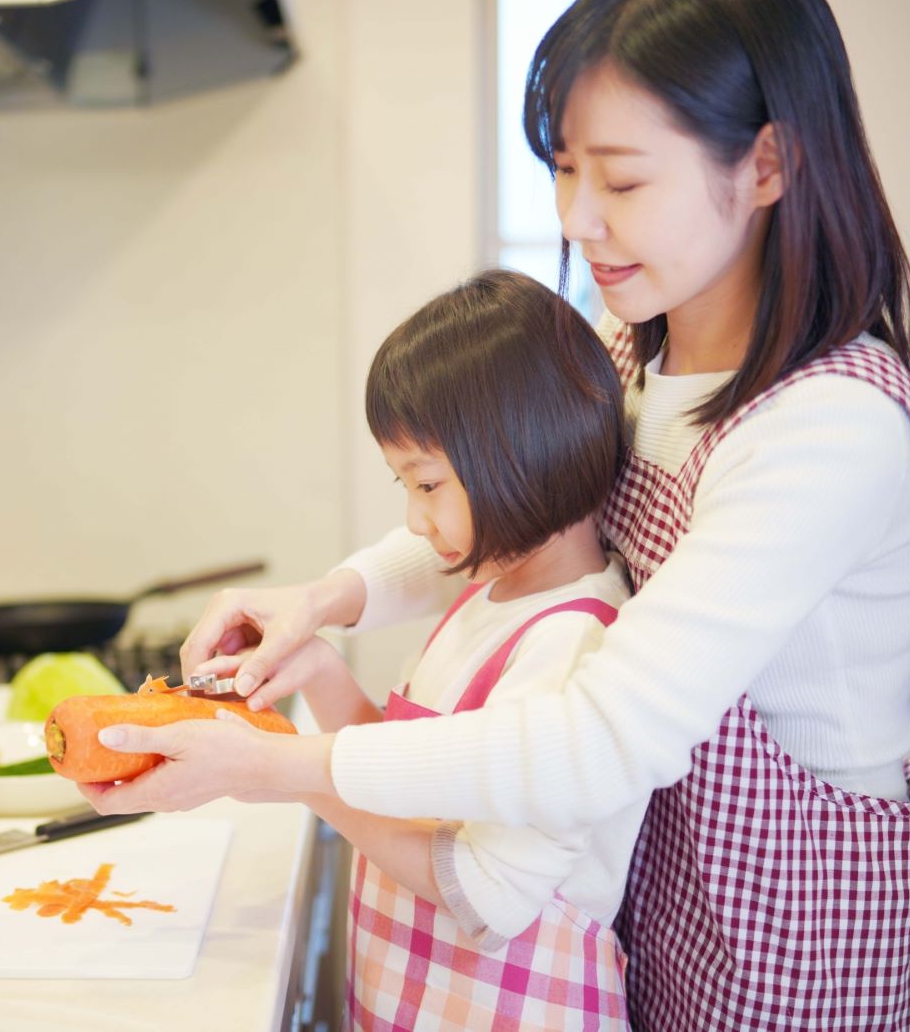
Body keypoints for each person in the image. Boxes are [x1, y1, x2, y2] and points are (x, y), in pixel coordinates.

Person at [80, 0, 910, 1028]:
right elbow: (520, 508)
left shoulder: (829, 427)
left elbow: (595, 734)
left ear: (768, 162)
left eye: (624, 180)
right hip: (660, 877)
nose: (580, 219)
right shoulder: (630, 353)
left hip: (791, 925)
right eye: (562, 169)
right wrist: (323, 600)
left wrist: (284, 766)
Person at [228, 268, 638, 1028]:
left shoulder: (575, 642)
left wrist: (288, 774)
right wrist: (316, 663)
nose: (415, 521)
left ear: (528, 454)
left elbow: (484, 890)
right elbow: (398, 771)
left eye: (427, 484)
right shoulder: (489, 593)